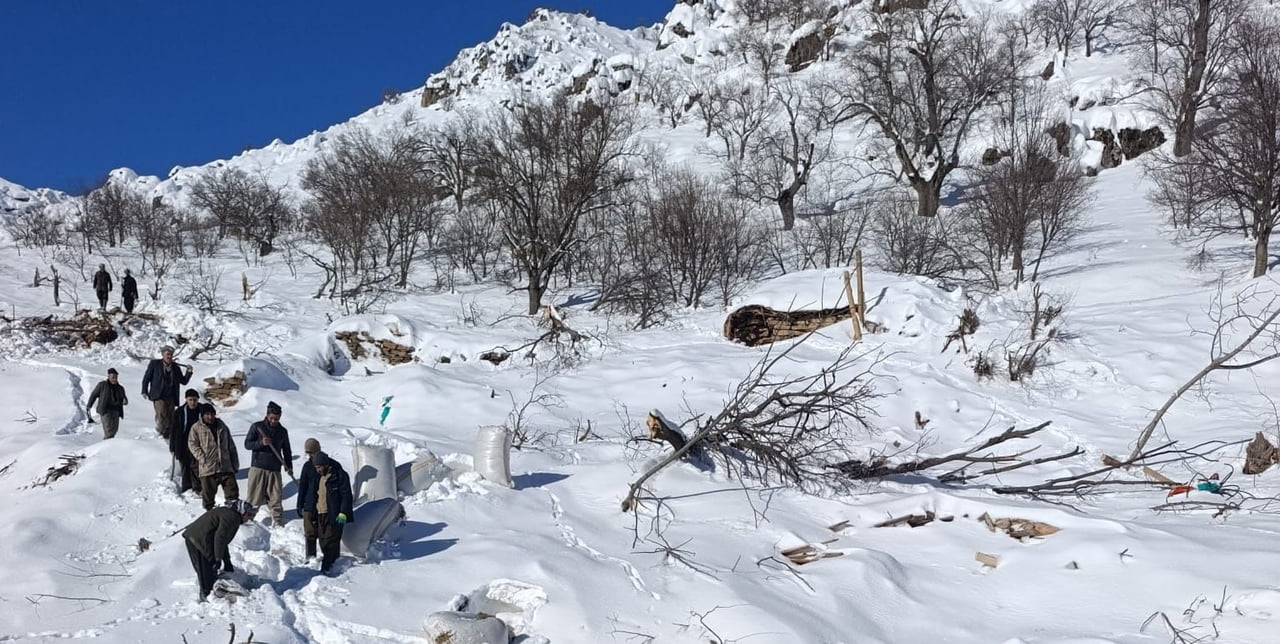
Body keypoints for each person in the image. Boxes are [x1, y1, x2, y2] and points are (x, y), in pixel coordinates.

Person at [182, 499, 257, 602]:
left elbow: (223, 541)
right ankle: (206, 597)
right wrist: (218, 559)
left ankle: (211, 593)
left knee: (210, 571)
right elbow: (220, 538)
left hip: (201, 540)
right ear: (242, 512)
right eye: (249, 514)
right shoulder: (232, 517)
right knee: (205, 572)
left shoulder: (231, 515)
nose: (249, 518)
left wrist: (226, 561)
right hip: (198, 541)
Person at [244, 401, 293, 527]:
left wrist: (289, 466)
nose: (273, 421)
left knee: (276, 496)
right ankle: (249, 518)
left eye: (276, 419)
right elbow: (247, 444)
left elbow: (287, 450)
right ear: (266, 415)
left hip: (275, 468)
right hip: (258, 466)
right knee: (254, 496)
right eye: (271, 418)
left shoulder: (282, 431)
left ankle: (277, 520)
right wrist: (261, 443)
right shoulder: (257, 427)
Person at [188, 403, 240, 511]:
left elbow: (231, 445)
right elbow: (192, 444)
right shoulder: (196, 428)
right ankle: (209, 517)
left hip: (225, 466)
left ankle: (232, 514)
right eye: (207, 414)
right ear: (202, 415)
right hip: (208, 468)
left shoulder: (222, 426)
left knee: (233, 493)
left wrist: (235, 463)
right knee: (208, 497)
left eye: (212, 414)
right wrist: (202, 457)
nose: (210, 417)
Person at [308, 451, 353, 574]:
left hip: (334, 514)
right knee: (323, 541)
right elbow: (316, 494)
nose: (317, 470)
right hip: (320, 513)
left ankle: (326, 569)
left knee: (330, 541)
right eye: (316, 467)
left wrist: (343, 512)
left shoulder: (339, 475)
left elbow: (346, 495)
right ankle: (334, 562)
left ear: (325, 464)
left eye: (319, 467)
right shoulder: (319, 477)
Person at [140, 345, 192, 439]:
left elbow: (183, 381)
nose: (169, 357)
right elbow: (146, 378)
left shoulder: (175, 367)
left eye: (171, 355)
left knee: (170, 417)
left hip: (171, 396)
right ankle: (161, 433)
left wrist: (189, 372)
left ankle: (168, 435)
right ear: (163, 355)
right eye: (167, 354)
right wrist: (144, 390)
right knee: (162, 414)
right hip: (159, 395)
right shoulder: (154, 364)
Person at [169, 389, 204, 494]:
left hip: (198, 442)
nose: (193, 402)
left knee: (197, 465)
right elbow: (174, 430)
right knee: (185, 465)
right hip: (183, 443)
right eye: (190, 400)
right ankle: (186, 488)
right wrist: (172, 446)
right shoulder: (179, 412)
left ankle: (197, 488)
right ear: (186, 400)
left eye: (195, 400)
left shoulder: (202, 410)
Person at [295, 437, 323, 559]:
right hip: (309, 504)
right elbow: (303, 486)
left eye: (312, 452)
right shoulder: (307, 466)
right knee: (310, 532)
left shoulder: (326, 464)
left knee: (323, 532)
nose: (310, 455)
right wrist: (299, 504)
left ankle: (326, 557)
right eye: (308, 453)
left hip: (323, 504)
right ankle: (310, 556)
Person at [85, 368, 128, 439]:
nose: (114, 379)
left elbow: (124, 399)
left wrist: (125, 401)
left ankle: (108, 446)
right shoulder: (102, 385)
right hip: (105, 410)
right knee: (108, 431)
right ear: (108, 376)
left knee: (114, 430)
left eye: (116, 377)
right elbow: (94, 395)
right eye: (113, 377)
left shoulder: (120, 388)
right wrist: (89, 405)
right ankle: (106, 447)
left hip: (116, 411)